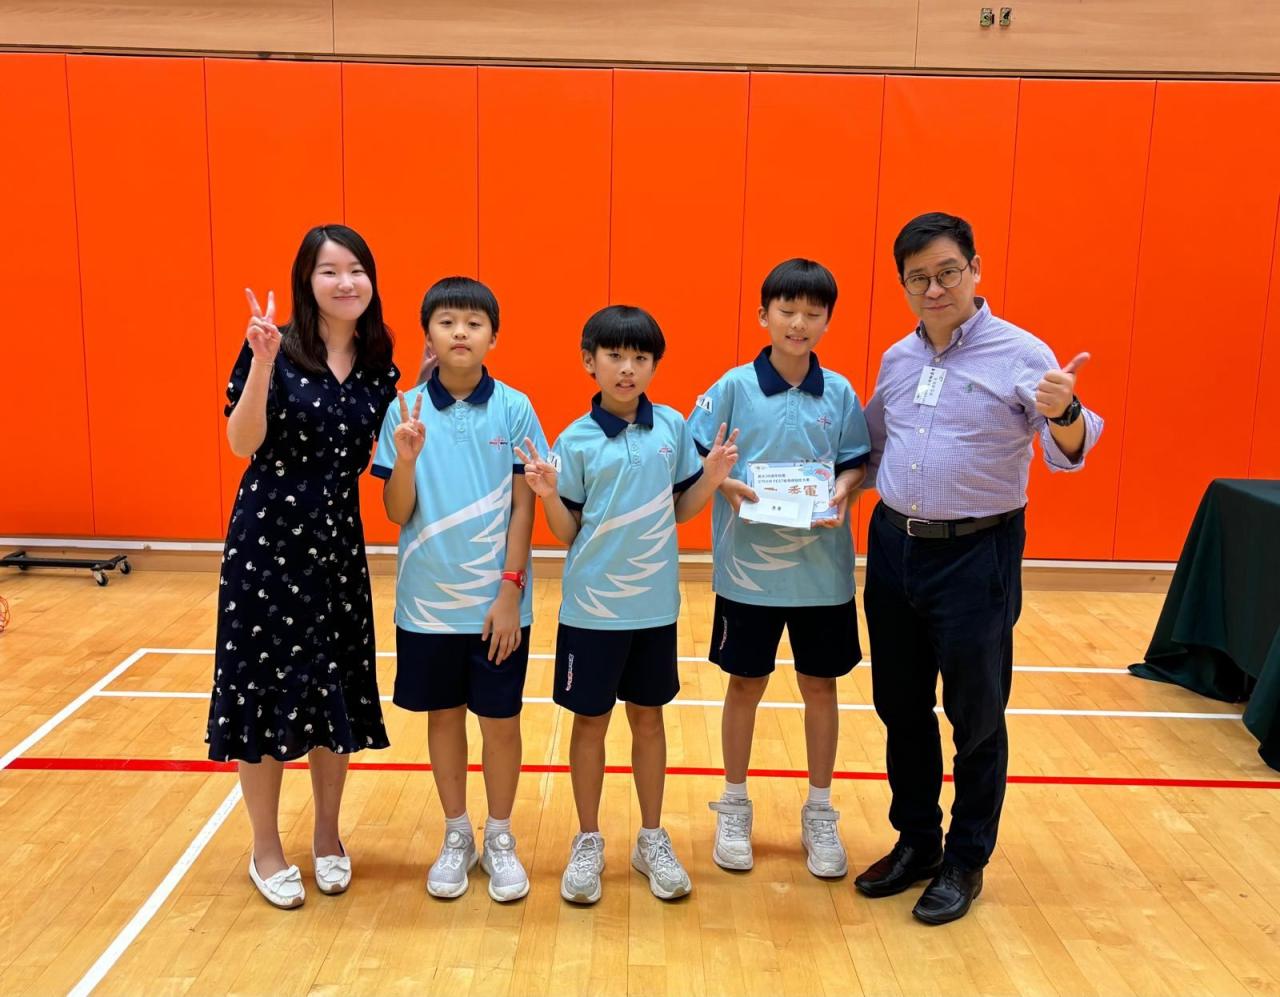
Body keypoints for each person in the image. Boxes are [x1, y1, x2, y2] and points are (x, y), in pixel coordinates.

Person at [855, 211, 1103, 924]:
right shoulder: (898, 359)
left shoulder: (1022, 354)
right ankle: (917, 841)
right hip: (894, 548)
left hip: (976, 555)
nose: (934, 289)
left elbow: (1070, 451)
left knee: (976, 714)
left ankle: (966, 860)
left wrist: (1067, 411)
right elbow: (873, 447)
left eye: (947, 273)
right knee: (900, 705)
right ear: (903, 284)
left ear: (975, 270)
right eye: (918, 278)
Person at [516, 305, 739, 904]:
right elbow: (567, 531)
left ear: (654, 366)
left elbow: (682, 510)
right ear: (589, 362)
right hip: (592, 609)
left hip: (654, 607)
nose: (627, 369)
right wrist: (546, 495)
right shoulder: (574, 440)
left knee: (649, 719)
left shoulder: (672, 427)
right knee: (589, 723)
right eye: (614, 356)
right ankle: (588, 839)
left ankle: (651, 838)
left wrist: (711, 476)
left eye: (641, 358)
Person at [207, 223, 400, 909]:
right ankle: (265, 847)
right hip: (267, 542)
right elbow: (242, 442)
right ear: (306, 281)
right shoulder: (274, 346)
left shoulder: (380, 361)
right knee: (262, 692)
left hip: (338, 543)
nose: (346, 281)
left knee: (333, 688)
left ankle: (326, 835)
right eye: (329, 270)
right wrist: (261, 363)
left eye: (356, 269)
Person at [688, 259, 871, 878]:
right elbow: (698, 453)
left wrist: (843, 488)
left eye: (812, 314)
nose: (799, 323)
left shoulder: (839, 393)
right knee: (745, 685)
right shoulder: (733, 387)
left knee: (821, 687)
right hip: (748, 573)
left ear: (827, 321)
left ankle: (819, 811)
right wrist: (725, 482)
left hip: (822, 575)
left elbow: (854, 461)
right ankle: (734, 804)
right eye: (787, 311)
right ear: (763, 315)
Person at [373, 276, 546, 903]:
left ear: (493, 336)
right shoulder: (404, 410)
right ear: (429, 336)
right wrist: (407, 459)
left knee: (500, 721)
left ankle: (499, 836)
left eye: (474, 323)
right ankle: (456, 834)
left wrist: (510, 592)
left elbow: (524, 507)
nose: (461, 333)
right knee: (443, 717)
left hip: (497, 605)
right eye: (447, 322)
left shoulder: (516, 408)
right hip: (427, 605)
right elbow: (396, 512)